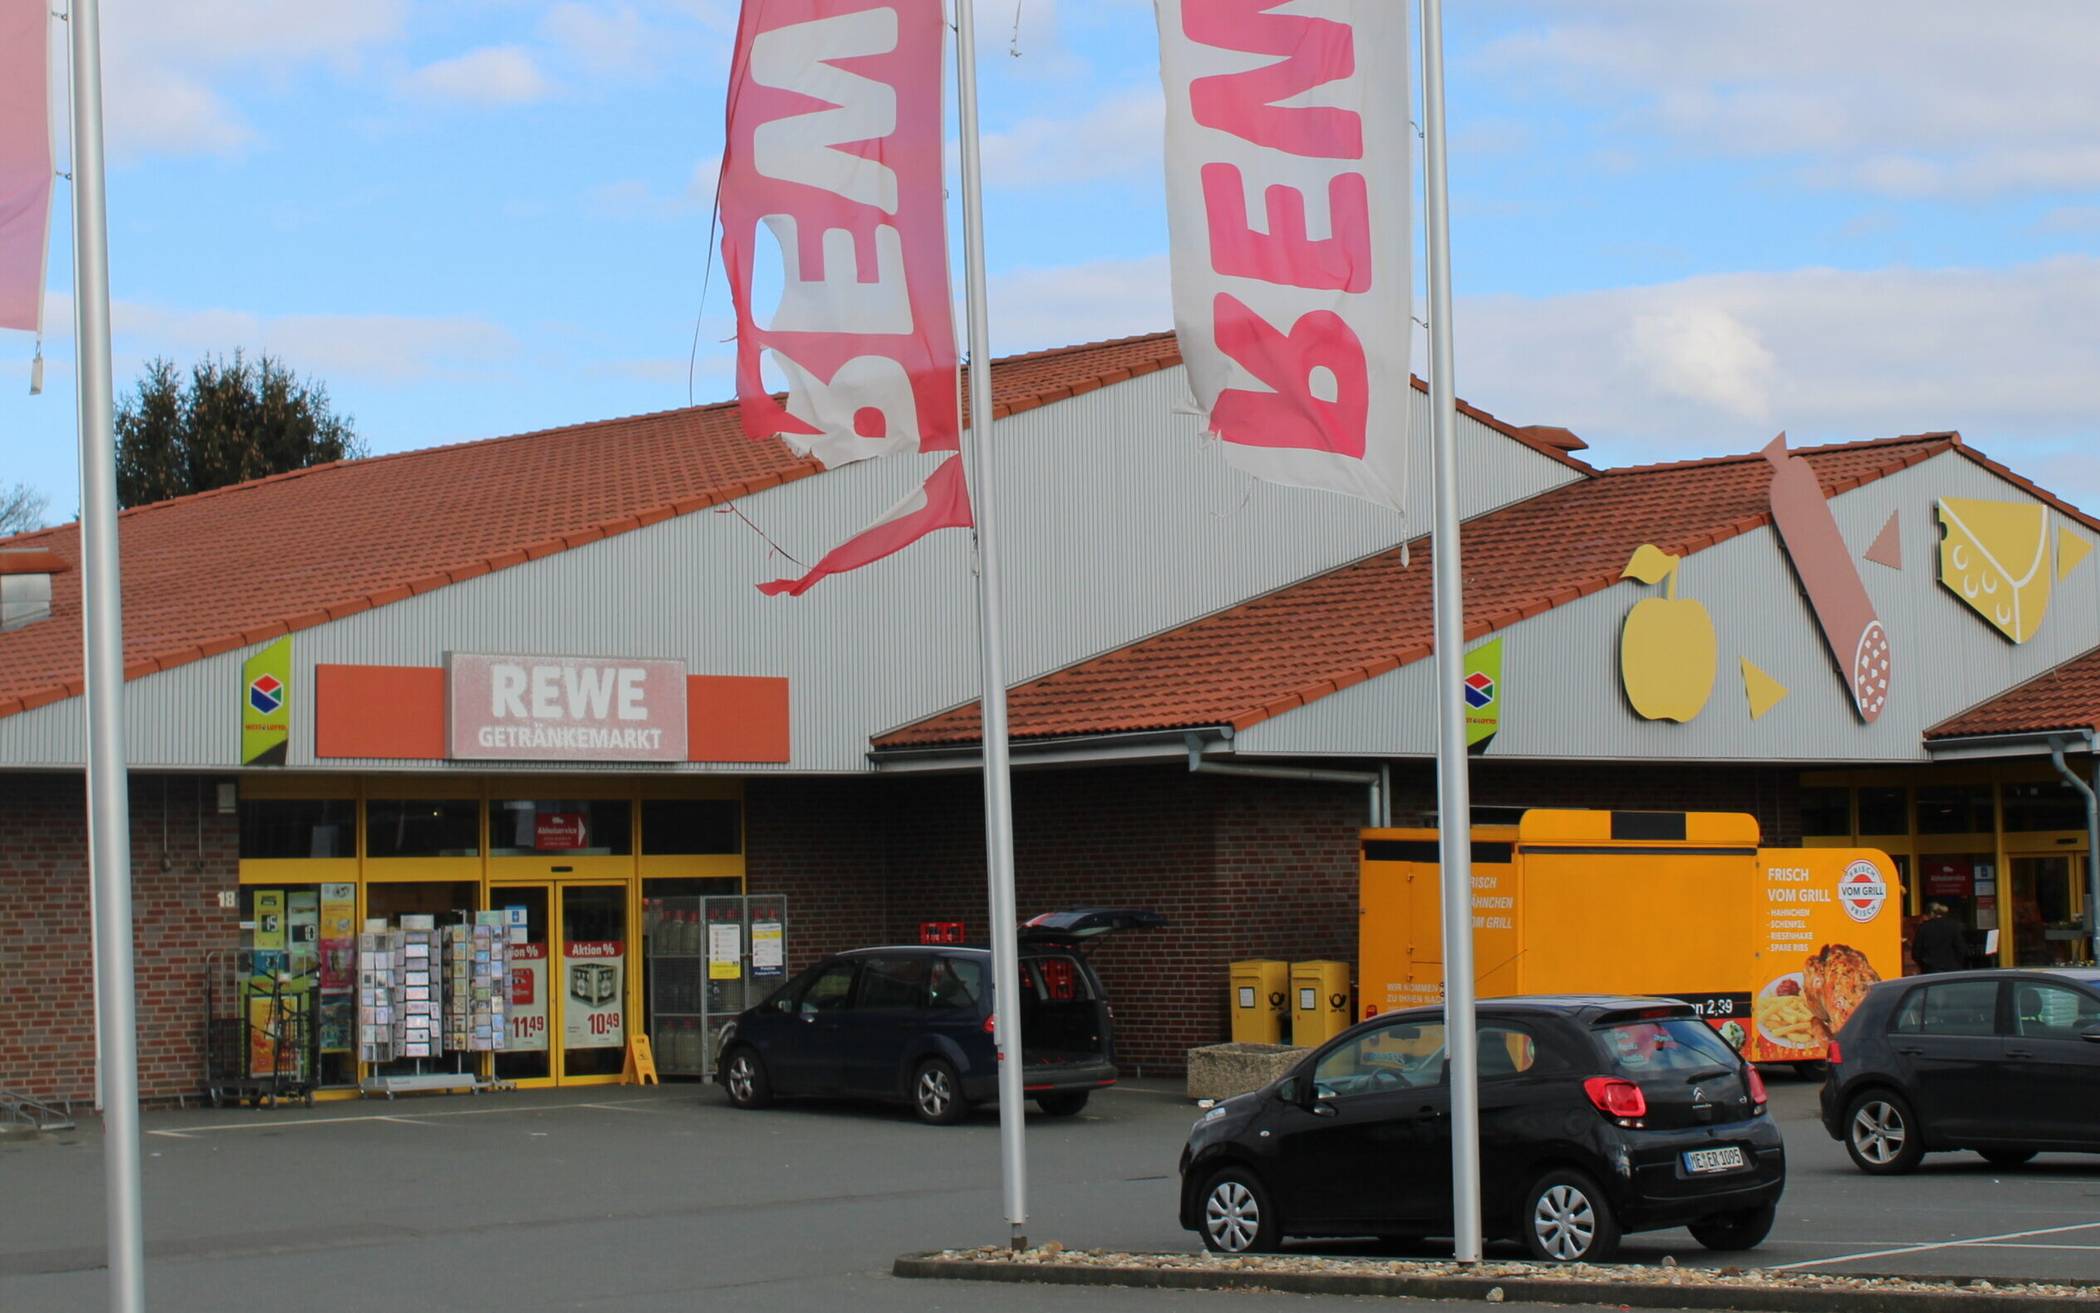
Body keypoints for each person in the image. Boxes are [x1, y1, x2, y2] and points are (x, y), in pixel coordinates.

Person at [1910, 902, 1967, 974]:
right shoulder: (1953, 926)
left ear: (1930, 913)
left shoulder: (1924, 928)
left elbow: (1916, 953)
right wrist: (1956, 963)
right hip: (1952, 969)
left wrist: (1924, 965)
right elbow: (1961, 948)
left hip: (1930, 969)